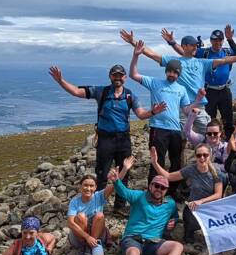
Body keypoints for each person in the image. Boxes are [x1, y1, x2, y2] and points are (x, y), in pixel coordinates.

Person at [48, 65, 163, 211]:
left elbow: (140, 114)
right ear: (110, 77)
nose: (118, 78)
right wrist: (61, 81)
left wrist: (153, 112)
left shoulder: (129, 95)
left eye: (120, 75)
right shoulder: (101, 91)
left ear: (125, 78)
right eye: (115, 75)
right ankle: (97, 206)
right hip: (105, 139)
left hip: (123, 139)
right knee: (102, 173)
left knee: (124, 173)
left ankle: (119, 207)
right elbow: (77, 92)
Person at [121, 29, 236, 133]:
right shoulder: (174, 62)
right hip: (181, 107)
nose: (196, 47)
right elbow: (152, 54)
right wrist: (133, 42)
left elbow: (225, 60)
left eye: (196, 45)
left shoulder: (202, 62)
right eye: (192, 45)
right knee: (181, 139)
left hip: (199, 107)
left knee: (208, 135)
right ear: (184, 46)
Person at [111, 157, 181, 255]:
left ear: (166, 190)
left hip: (153, 242)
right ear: (150, 186)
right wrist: (117, 178)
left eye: (162, 188)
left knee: (177, 246)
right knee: (133, 253)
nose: (159, 189)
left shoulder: (170, 204)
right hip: (133, 238)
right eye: (156, 186)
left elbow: (174, 217)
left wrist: (172, 222)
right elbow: (122, 190)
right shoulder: (139, 196)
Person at [129, 45, 191, 194]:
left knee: (176, 161)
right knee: (157, 161)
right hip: (158, 128)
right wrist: (136, 55)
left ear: (178, 74)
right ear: (165, 71)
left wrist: (199, 100)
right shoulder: (155, 83)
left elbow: (187, 109)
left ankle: (172, 193)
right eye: (169, 71)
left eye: (175, 72)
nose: (171, 74)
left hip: (175, 130)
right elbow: (133, 74)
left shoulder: (181, 89)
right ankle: (153, 192)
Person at [150, 144, 223, 244]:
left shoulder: (216, 171)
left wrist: (201, 201)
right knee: (190, 229)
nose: (202, 158)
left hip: (210, 207)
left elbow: (218, 194)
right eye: (199, 155)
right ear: (195, 156)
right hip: (193, 207)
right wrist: (154, 163)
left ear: (209, 155)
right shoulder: (190, 170)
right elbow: (169, 176)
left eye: (205, 155)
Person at [189, 27, 236, 138]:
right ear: (211, 41)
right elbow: (186, 52)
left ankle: (230, 147)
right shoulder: (204, 52)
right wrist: (172, 42)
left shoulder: (227, 51)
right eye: (215, 40)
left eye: (220, 40)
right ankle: (210, 145)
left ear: (222, 41)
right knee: (210, 120)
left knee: (228, 120)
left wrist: (230, 39)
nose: (217, 42)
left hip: (224, 90)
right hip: (209, 91)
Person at [67, 174, 116, 255]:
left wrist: (124, 170)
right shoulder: (74, 202)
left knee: (99, 215)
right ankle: (85, 246)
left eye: (91, 186)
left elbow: (115, 185)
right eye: (85, 185)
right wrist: (87, 237)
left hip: (96, 235)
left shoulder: (99, 196)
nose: (88, 188)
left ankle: (91, 247)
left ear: (95, 187)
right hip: (80, 238)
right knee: (81, 216)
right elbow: (70, 223)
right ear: (80, 186)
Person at [184, 101, 230, 183]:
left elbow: (226, 167)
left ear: (220, 133)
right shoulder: (201, 140)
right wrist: (192, 115)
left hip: (217, 176)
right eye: (209, 133)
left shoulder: (225, 147)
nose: (212, 136)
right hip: (201, 174)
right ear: (206, 133)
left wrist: (210, 166)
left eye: (215, 133)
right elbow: (187, 132)